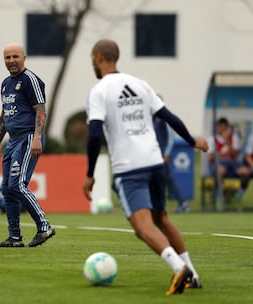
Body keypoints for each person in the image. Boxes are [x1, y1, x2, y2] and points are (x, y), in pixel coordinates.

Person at [83, 39, 208, 295]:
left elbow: (95, 135)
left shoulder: (99, 91)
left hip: (130, 168)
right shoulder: (140, 84)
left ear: (97, 57)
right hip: (154, 162)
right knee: (161, 217)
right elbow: (169, 118)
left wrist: (90, 174)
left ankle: (178, 268)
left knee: (143, 227)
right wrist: (192, 141)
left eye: (92, 59)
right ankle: (192, 273)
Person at [0, 42, 55, 248]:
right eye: (7, 57)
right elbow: (5, 113)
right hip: (13, 141)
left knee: (17, 185)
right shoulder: (5, 83)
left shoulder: (30, 80)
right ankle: (15, 237)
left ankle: (44, 227)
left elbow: (40, 109)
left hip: (29, 137)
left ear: (24, 58)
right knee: (7, 189)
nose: (11, 61)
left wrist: (37, 136)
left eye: (15, 57)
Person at [153, 115, 190, 213]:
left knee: (169, 180)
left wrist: (166, 154)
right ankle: (158, 205)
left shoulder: (164, 120)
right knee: (158, 181)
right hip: (155, 156)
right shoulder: (154, 120)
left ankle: (183, 203)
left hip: (162, 156)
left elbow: (170, 138)